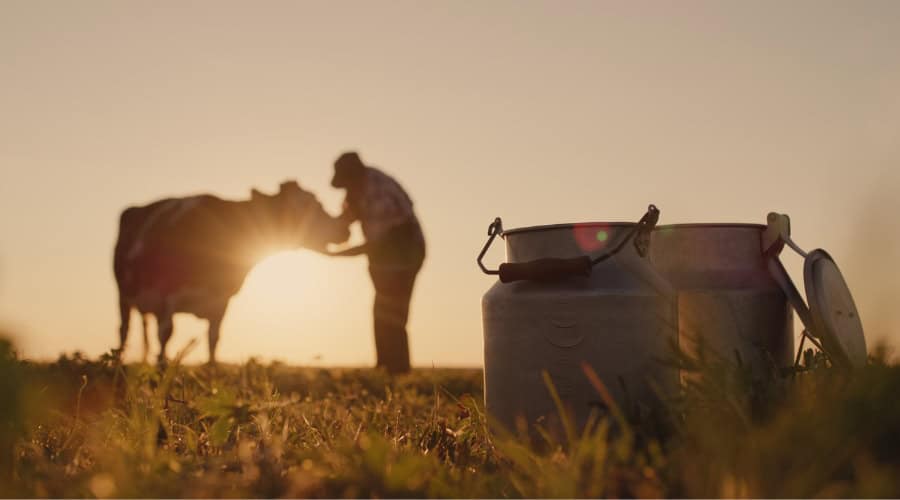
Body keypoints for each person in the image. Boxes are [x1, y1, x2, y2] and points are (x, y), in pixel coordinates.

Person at [327, 151, 426, 374]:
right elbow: (343, 221)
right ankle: (386, 368)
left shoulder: (378, 192)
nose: (345, 190)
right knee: (383, 311)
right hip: (385, 258)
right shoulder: (357, 191)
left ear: (353, 177)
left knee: (392, 313)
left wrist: (336, 254)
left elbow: (377, 244)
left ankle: (397, 370)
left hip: (404, 255)